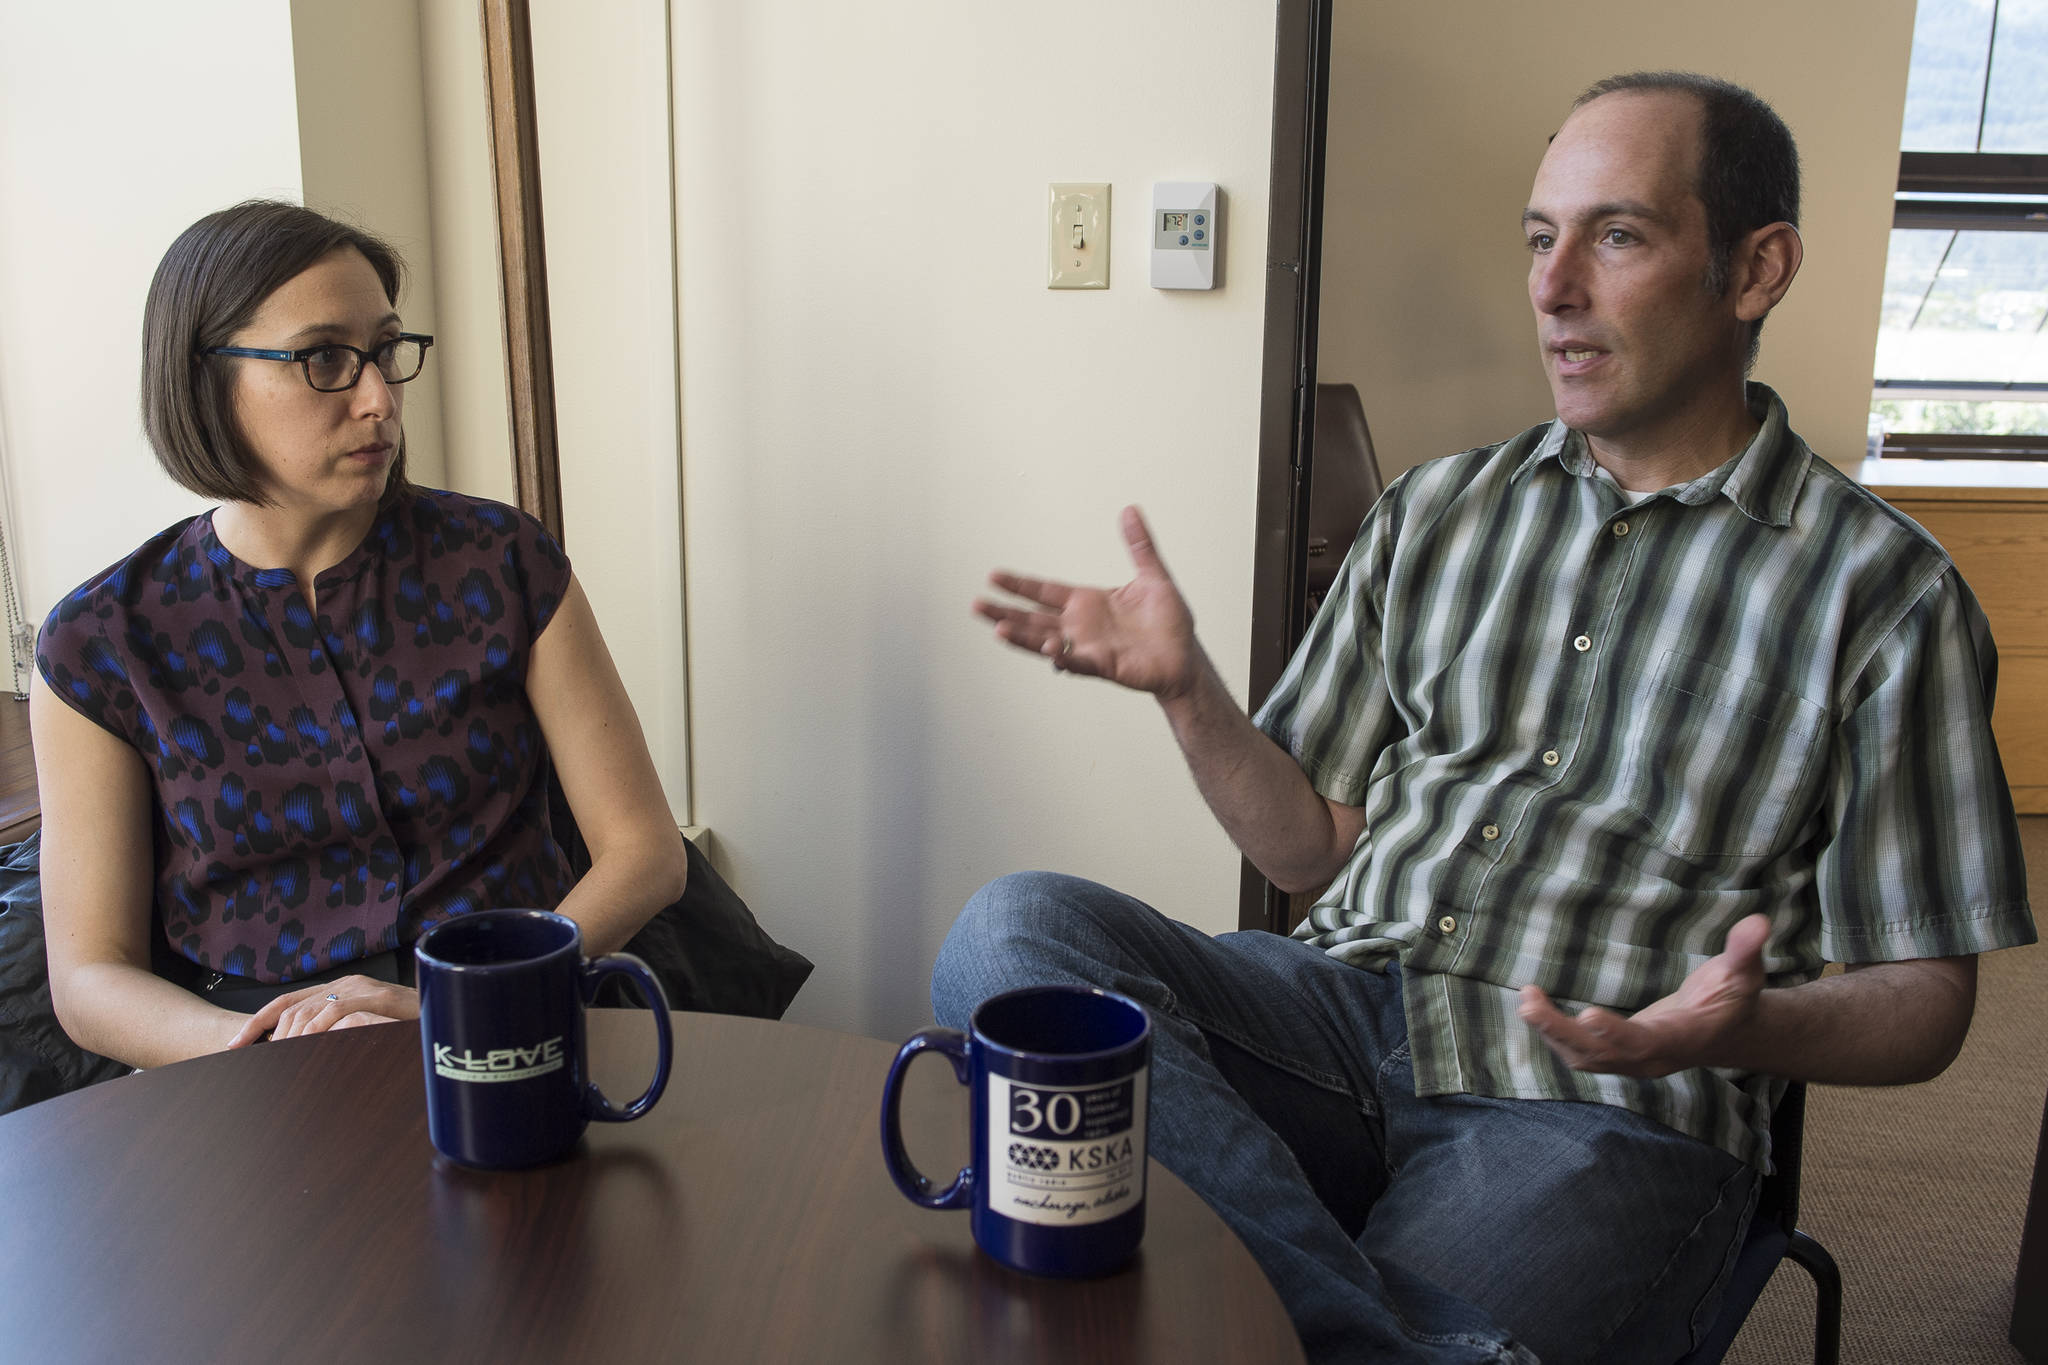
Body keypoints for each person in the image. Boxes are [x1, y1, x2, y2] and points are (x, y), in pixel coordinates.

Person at [945, 71, 2037, 1364]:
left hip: (1599, 1107)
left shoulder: (1886, 596)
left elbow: (1927, 997)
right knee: (1015, 930)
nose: (1553, 286)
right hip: (1335, 1014)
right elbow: (1308, 851)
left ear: (1756, 269)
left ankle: (1289, 1298)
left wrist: (1751, 1026)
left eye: (1615, 235)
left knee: (1141, 1282)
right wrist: (1193, 699)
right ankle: (1370, 1328)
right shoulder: (1435, 513)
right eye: (1539, 238)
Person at [33, 201, 689, 1069]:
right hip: (250, 1072)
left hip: (510, 1022)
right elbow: (89, 975)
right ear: (204, 379)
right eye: (327, 361)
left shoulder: (501, 562)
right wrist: (268, 1049)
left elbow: (645, 851)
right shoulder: (101, 641)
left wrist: (461, 1002)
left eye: (385, 352)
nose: (379, 398)